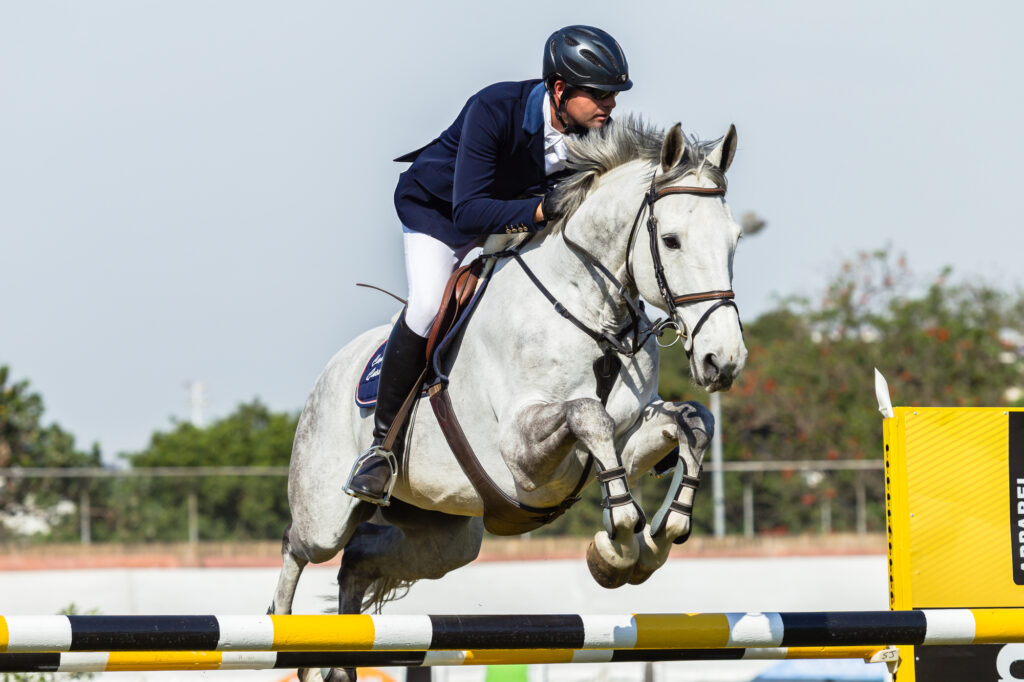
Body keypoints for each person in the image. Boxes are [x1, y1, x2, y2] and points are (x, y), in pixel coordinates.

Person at [344, 25, 632, 506]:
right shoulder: (494, 108)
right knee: (427, 309)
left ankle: (630, 416)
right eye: (600, 94)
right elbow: (469, 211)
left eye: (615, 95)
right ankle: (381, 449)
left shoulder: (597, 131)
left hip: (514, 221)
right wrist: (543, 211)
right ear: (560, 90)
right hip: (442, 218)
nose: (611, 106)